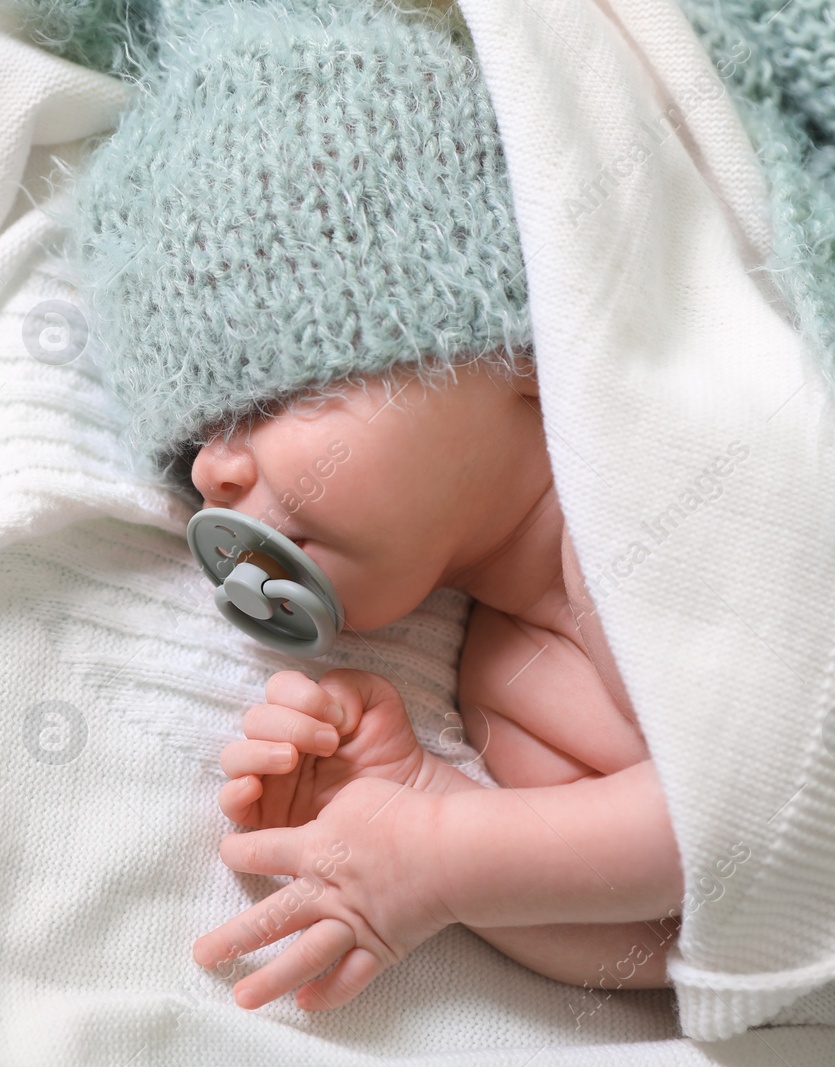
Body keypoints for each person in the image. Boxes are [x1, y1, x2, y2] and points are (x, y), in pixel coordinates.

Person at [59, 0, 681, 1013]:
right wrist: (423, 807)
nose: (212, 475)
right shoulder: (503, 684)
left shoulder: (672, 486)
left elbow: (784, 800)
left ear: (518, 349)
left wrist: (444, 855)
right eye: (194, 449)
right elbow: (690, 927)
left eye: (269, 393)